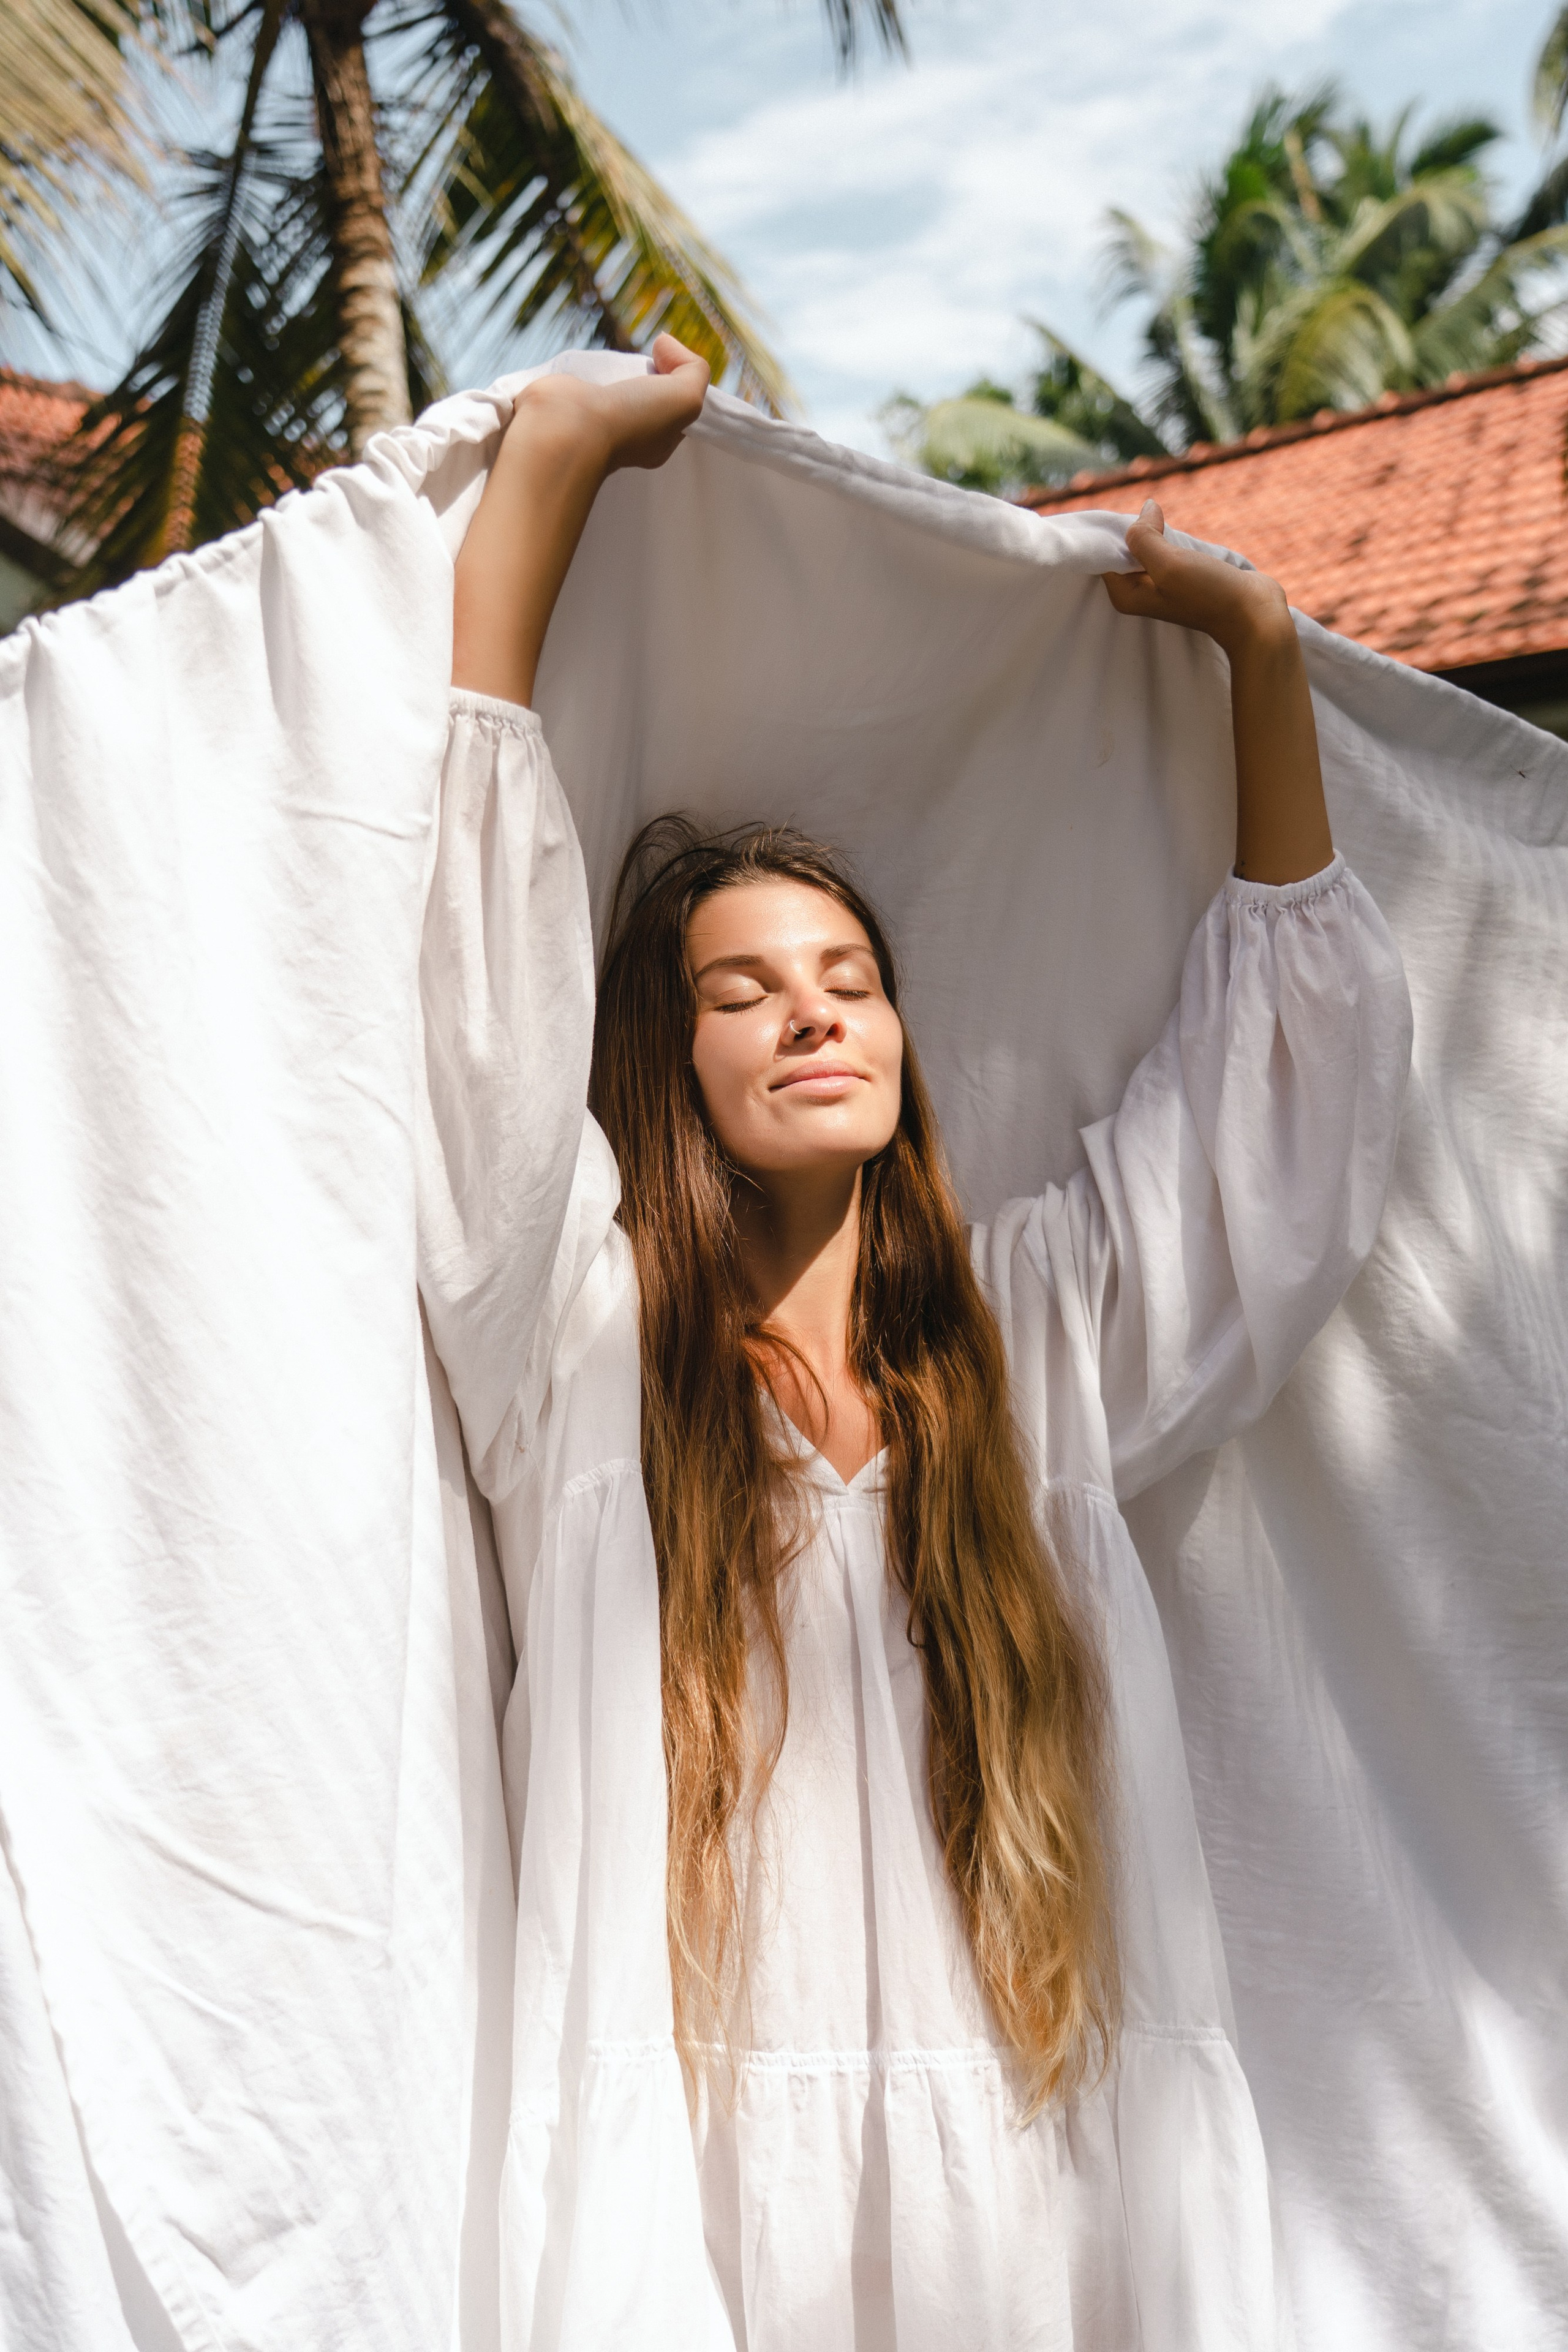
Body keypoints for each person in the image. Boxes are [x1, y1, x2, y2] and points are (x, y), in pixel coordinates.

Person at [437, 334, 1412, 2347]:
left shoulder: (1034, 1340)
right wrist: (539, 491)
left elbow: (1280, 1139)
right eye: (744, 992)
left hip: (1038, 2208)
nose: (815, 1014)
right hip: (705, 2232)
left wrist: (1261, 659)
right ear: (665, 1061)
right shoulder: (587, 1350)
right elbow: (477, 1038)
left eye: (851, 977)